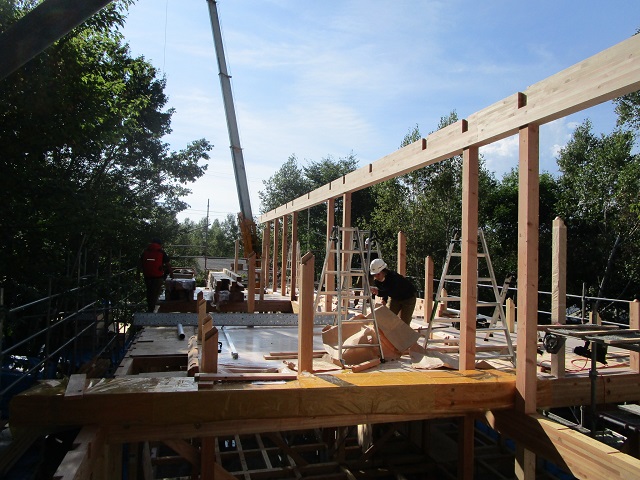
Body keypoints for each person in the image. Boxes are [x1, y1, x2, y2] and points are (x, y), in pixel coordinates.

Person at [369, 258, 417, 325]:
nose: (376, 277)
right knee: (389, 318)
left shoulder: (394, 277)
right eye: (375, 275)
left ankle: (403, 335)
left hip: (408, 297)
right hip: (395, 298)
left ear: (384, 271)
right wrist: (384, 300)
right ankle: (388, 335)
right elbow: (385, 289)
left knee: (404, 323)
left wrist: (379, 293)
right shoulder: (377, 282)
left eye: (378, 274)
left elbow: (391, 290)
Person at [138, 238, 171, 312]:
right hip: (158, 276)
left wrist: (137, 274)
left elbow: (139, 264)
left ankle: (149, 307)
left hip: (147, 276)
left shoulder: (145, 252)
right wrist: (172, 274)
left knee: (149, 292)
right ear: (160, 244)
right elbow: (168, 264)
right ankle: (152, 309)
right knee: (155, 293)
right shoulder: (161, 252)